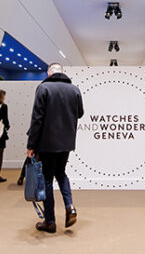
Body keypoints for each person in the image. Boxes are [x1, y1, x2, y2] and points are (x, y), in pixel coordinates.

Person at [26, 63, 84, 233]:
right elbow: (80, 113)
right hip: (66, 142)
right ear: (62, 73)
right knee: (61, 173)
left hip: (46, 143)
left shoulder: (43, 88)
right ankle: (70, 206)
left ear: (49, 73)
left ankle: (50, 221)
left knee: (47, 179)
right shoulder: (74, 90)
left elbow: (37, 118)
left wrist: (31, 144)